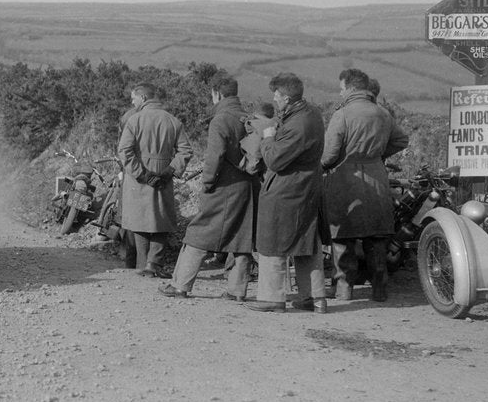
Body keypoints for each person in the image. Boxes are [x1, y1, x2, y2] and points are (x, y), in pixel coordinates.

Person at [159, 75, 257, 300]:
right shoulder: (247, 117)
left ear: (217, 94)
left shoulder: (220, 120)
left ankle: (180, 285)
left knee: (198, 233)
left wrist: (208, 183)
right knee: (242, 238)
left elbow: (215, 157)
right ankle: (237, 291)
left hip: (223, 187)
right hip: (248, 187)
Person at [322, 68, 409, 302]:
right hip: (377, 178)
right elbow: (402, 139)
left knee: (343, 237)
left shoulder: (342, 115)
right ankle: (380, 289)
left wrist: (321, 168)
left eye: (341, 89)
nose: (340, 94)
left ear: (350, 88)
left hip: (345, 179)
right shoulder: (382, 113)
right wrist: (379, 155)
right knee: (377, 236)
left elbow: (329, 154)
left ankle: (344, 289)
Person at [244, 72, 328, 314]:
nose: (275, 99)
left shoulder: (298, 124)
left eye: (278, 96)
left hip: (286, 188)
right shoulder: (311, 114)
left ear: (288, 98)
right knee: (306, 243)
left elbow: (276, 160)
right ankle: (314, 297)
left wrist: (268, 138)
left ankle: (272, 298)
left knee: (272, 240)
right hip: (307, 188)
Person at [117, 83, 193, 278]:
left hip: (138, 179)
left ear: (142, 98)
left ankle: (142, 265)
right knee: (161, 221)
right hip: (163, 178)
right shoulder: (173, 121)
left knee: (139, 221)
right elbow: (185, 151)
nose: (132, 102)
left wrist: (142, 173)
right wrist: (169, 171)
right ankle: (154, 264)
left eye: (133, 98)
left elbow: (124, 150)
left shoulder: (134, 120)